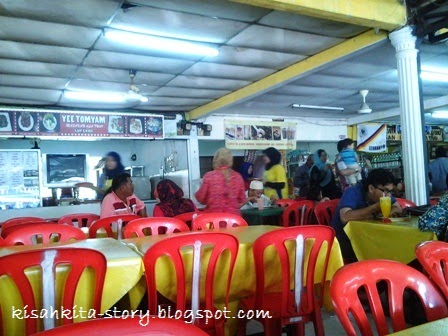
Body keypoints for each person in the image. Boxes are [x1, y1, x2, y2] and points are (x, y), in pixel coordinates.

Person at [330, 168, 402, 263]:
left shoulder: (383, 194)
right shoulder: (353, 191)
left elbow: (398, 208)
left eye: (390, 192)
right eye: (385, 191)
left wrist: (382, 213)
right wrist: (375, 208)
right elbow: (345, 217)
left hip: (368, 239)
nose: (388, 195)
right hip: (344, 244)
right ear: (371, 188)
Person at [195, 148, 246, 215]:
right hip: (234, 221)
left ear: (215, 160)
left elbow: (201, 199)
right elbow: (242, 199)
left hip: (213, 220)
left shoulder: (209, 176)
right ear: (231, 160)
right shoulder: (238, 177)